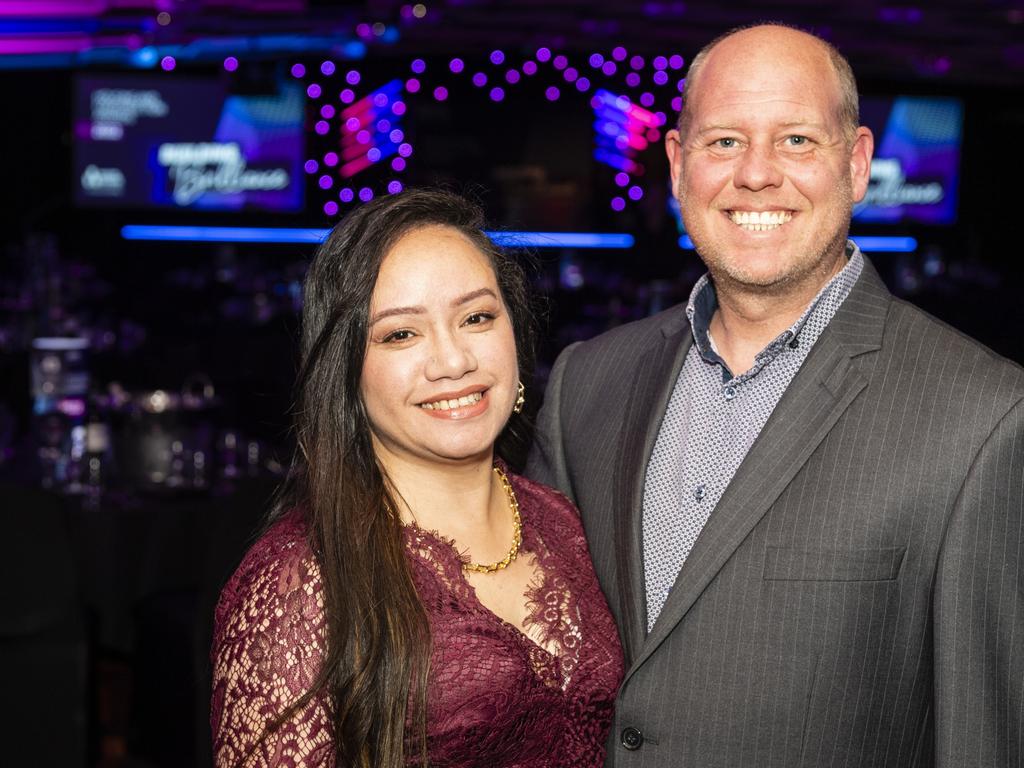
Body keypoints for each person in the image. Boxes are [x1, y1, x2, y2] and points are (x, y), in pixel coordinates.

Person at [527, 23, 1024, 768]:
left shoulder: (984, 417)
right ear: (676, 163)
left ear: (857, 165)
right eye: (724, 141)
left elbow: (981, 737)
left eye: (796, 140)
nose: (756, 174)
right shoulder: (586, 384)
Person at [210, 189, 624, 767]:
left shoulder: (570, 524)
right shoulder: (299, 582)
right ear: (346, 370)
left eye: (477, 317)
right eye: (401, 333)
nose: (453, 361)